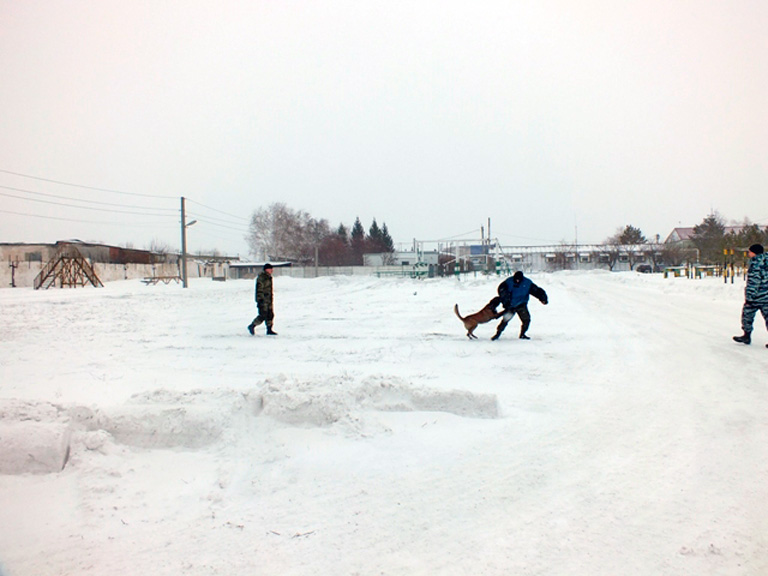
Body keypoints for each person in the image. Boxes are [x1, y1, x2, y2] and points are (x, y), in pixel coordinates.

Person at [492, 270, 548, 341]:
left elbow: (537, 291)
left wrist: (543, 298)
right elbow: (501, 290)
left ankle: (522, 334)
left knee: (526, 320)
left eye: (519, 280)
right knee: (505, 320)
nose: (517, 281)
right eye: (516, 279)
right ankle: (498, 333)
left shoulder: (527, 283)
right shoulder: (508, 282)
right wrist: (506, 301)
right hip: (510, 305)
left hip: (521, 304)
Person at [733, 244, 768, 347]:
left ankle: (746, 335)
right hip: (767, 295)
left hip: (756, 296)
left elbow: (754, 281)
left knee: (747, 315)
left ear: (754, 252)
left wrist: (749, 296)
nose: (748, 254)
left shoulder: (756, 263)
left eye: (749, 252)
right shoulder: (766, 261)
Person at [248, 263, 277, 336]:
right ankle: (252, 326)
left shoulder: (269, 277)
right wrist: (260, 299)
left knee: (270, 314)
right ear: (266, 269)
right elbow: (259, 289)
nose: (272, 270)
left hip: (269, 299)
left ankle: (269, 329)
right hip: (263, 299)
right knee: (263, 315)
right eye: (270, 269)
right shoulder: (262, 278)